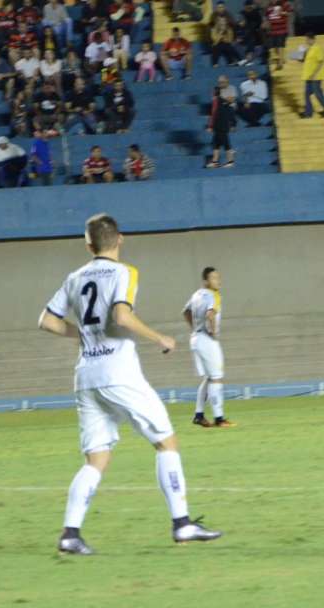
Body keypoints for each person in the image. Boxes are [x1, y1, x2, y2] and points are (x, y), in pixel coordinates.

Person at [38, 214, 223, 555]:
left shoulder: (75, 277)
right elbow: (121, 315)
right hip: (118, 371)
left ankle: (70, 533)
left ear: (88, 243)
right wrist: (160, 338)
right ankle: (182, 524)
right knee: (166, 441)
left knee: (96, 460)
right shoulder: (125, 272)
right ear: (120, 239)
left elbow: (47, 321)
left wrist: (79, 335)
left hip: (86, 375)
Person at [183, 267, 235, 428]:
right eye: (213, 278)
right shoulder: (214, 295)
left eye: (218, 277)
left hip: (196, 338)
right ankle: (219, 418)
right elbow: (210, 314)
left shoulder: (196, 294)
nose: (218, 281)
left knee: (208, 378)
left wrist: (194, 328)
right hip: (207, 339)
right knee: (216, 377)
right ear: (206, 281)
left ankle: (199, 415)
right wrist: (212, 331)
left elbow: (186, 312)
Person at [207, 81, 237, 167]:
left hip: (220, 126)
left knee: (226, 143)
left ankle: (230, 161)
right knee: (216, 144)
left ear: (214, 92)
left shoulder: (216, 101)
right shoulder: (223, 101)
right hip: (222, 125)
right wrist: (233, 123)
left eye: (213, 91)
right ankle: (215, 162)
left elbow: (214, 114)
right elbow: (230, 111)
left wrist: (210, 126)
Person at [300, 33, 324, 118]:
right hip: (308, 76)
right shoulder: (308, 49)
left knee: (318, 94)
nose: (306, 41)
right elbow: (303, 61)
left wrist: (314, 74)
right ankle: (308, 113)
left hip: (316, 77)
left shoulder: (317, 48)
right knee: (306, 94)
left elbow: (321, 62)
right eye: (306, 39)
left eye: (307, 39)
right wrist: (299, 55)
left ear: (312, 39)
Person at [264, 0, 292, 70]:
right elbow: (267, 16)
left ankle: (280, 62)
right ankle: (278, 60)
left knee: (280, 45)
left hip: (282, 29)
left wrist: (282, 12)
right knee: (273, 47)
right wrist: (266, 24)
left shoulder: (284, 4)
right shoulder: (269, 6)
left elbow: (290, 13)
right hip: (272, 30)